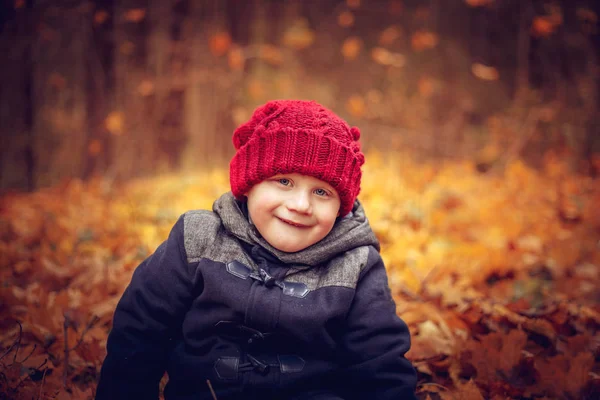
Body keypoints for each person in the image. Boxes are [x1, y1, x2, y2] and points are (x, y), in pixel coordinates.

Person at [96, 100, 417, 400]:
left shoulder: (356, 264)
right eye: (284, 182)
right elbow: (140, 332)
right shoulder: (198, 239)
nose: (301, 205)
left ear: (341, 207)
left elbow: (380, 363)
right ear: (249, 184)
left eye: (322, 191)